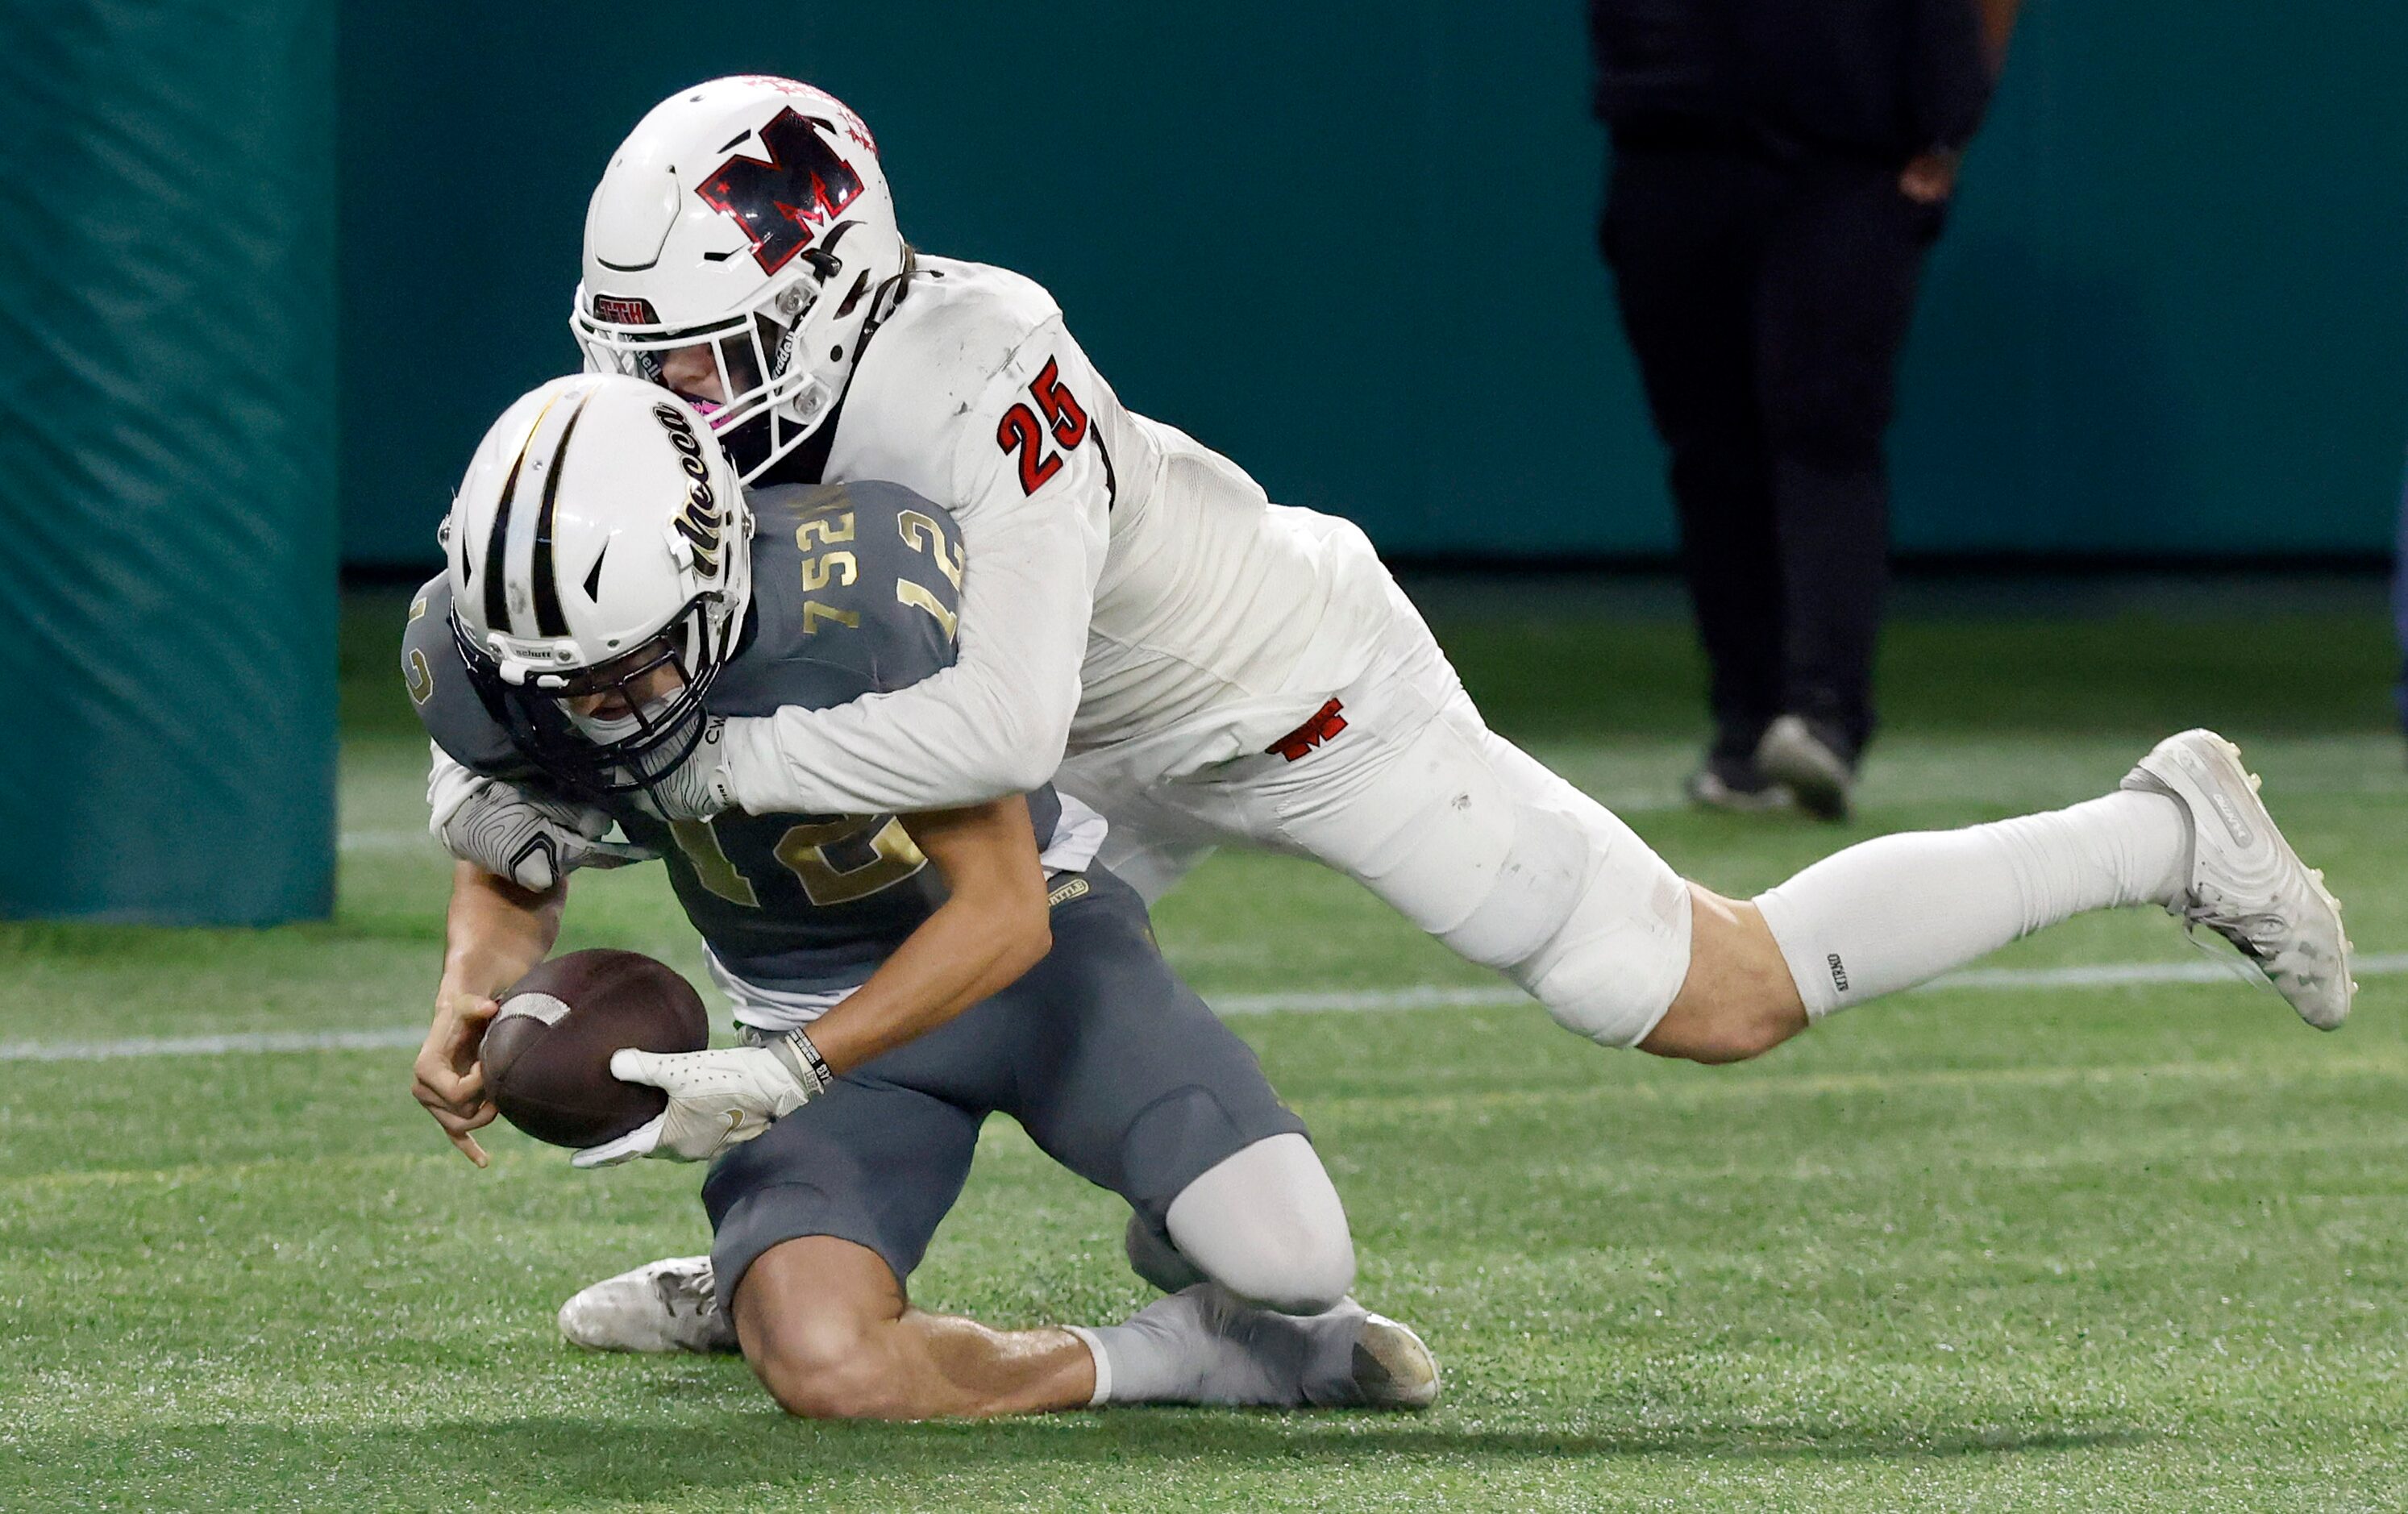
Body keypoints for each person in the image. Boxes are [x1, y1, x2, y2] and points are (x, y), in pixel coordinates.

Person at [469, 77, 2354, 1346]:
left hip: (1274, 693)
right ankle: (778, 1262)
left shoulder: (968, 378)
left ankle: (2158, 830)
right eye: (632, 358)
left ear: (832, 292)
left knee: (1705, 996)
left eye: (700, 360)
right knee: (857, 925)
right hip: (1095, 706)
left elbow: (993, 735)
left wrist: (708, 759)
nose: (673, 401)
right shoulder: (755, 414)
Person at [406, 373, 1439, 1417]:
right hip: (799, 1011)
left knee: (1293, 1259)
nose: (598, 713)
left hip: (1036, 968)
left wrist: (785, 1070)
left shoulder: (852, 608)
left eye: (628, 667)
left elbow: (1001, 911)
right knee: (826, 1364)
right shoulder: (495, 660)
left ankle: (1198, 1260)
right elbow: (517, 843)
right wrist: (472, 990)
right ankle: (1194, 1354)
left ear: (711, 566)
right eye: (559, 686)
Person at [1587, 0, 2014, 816]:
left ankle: (1824, 718)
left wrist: (1951, 118)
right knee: (1708, 449)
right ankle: (1746, 730)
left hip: (1845, 151)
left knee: (1825, 429)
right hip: (1668, 135)